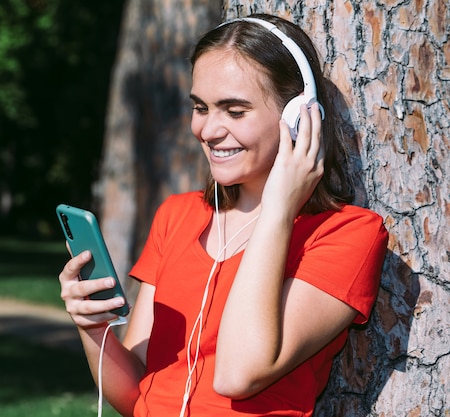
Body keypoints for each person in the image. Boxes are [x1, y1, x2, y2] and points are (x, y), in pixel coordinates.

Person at [58, 13, 388, 417]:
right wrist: (91, 327)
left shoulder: (347, 234)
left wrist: (278, 210)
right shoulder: (176, 216)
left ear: (297, 117)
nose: (208, 130)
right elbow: (137, 397)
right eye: (201, 107)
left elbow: (237, 375)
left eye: (234, 111)